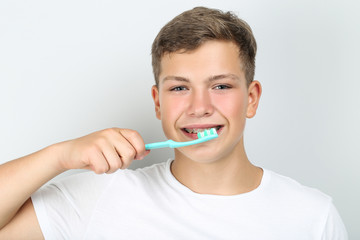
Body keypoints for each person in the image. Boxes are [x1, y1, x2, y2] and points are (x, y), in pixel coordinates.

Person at [0, 6, 348, 239]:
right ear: (158, 102)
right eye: (180, 87)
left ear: (252, 98)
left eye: (221, 86)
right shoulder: (104, 196)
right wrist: (60, 156)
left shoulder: (313, 218)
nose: (200, 107)